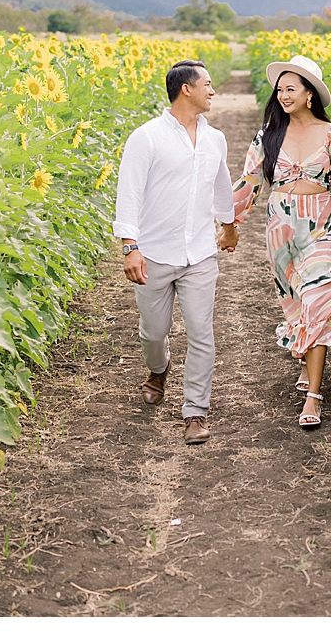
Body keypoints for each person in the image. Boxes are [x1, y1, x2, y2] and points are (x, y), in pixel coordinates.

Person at [114, 60, 239, 445]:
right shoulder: (147, 137)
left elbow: (222, 186)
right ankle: (158, 368)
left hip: (200, 253)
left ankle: (195, 412)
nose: (213, 90)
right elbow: (129, 194)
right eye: (208, 84)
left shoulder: (215, 138)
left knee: (202, 333)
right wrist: (130, 247)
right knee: (154, 331)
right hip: (155, 254)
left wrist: (229, 226)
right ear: (186, 89)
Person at [232, 54, 331, 430]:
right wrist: (230, 224)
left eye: (291, 89)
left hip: (321, 224)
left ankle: (313, 397)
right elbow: (249, 180)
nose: (283, 94)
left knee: (319, 298)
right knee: (297, 303)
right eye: (280, 89)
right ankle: (306, 359)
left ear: (309, 95)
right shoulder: (269, 133)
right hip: (281, 228)